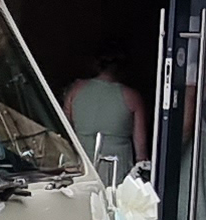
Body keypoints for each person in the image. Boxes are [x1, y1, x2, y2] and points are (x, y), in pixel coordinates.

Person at [62, 53, 148, 185]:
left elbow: (64, 131)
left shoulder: (75, 90)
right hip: (117, 170)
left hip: (80, 166)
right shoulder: (133, 97)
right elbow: (140, 148)